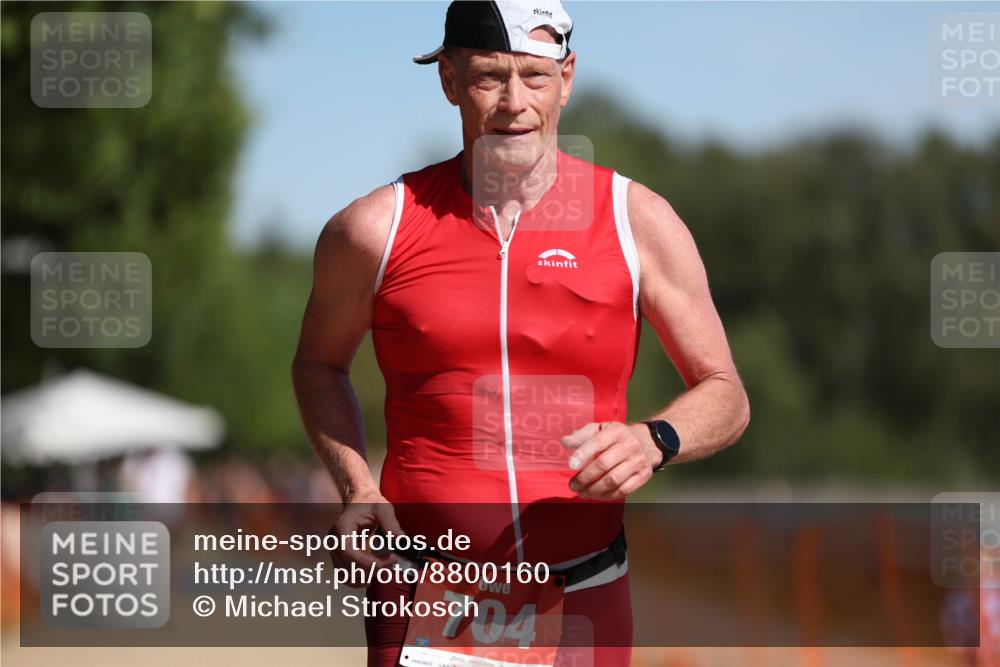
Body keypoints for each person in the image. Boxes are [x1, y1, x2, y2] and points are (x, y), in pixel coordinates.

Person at [292, 2, 750, 665]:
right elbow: (317, 365)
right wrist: (358, 487)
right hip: (426, 593)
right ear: (448, 80)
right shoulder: (372, 229)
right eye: (488, 76)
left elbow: (726, 391)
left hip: (586, 591)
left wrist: (655, 439)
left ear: (567, 78)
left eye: (535, 76)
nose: (514, 102)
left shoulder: (638, 221)